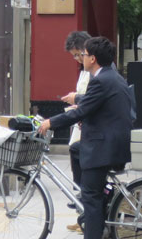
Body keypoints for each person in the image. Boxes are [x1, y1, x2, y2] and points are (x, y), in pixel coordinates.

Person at [38, 37, 132, 239]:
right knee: (76, 149)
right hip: (114, 143)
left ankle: (94, 230)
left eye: (85, 54)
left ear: (93, 59)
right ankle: (92, 195)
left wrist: (50, 122)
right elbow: (95, 106)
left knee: (91, 198)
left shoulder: (100, 80)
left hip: (103, 148)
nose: (82, 58)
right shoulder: (113, 77)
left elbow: (81, 111)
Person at [62, 30, 92, 234]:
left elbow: (90, 99)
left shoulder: (97, 71)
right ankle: (82, 217)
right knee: (79, 172)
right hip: (81, 124)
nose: (76, 59)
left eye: (76, 54)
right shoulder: (84, 70)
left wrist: (76, 100)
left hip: (89, 128)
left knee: (86, 176)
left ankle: (87, 219)